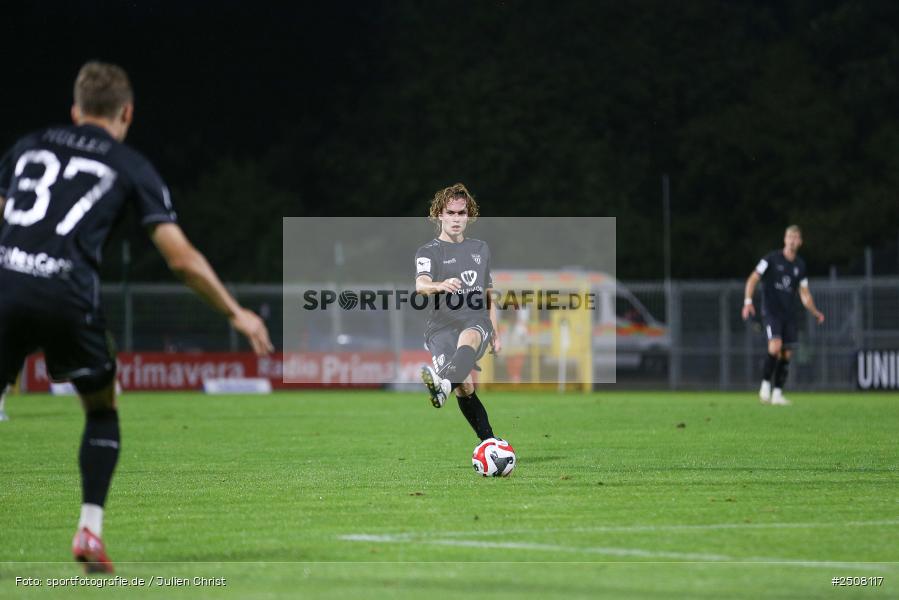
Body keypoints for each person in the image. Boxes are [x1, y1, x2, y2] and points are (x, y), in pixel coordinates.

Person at [0, 61, 273, 572]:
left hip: (6, 283)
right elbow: (181, 258)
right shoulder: (130, 165)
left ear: (75, 109)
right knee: (103, 408)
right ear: (127, 113)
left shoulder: (29, 145)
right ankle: (89, 530)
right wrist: (237, 313)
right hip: (67, 296)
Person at [416, 183, 502, 442]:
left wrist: (495, 332)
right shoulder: (428, 251)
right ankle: (488, 441)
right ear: (439, 214)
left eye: (461, 213)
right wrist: (438, 285)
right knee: (464, 386)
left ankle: (443, 387)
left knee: (471, 335)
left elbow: (489, 293)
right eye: (450, 213)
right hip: (440, 326)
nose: (456, 219)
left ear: (469, 215)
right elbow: (420, 285)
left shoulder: (480, 249)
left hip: (474, 319)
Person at [741, 225, 824, 405]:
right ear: (784, 239)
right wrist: (748, 301)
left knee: (787, 353)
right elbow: (753, 278)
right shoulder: (771, 259)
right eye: (790, 237)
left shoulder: (800, 265)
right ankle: (764, 386)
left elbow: (804, 293)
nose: (793, 241)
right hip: (771, 311)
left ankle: (777, 394)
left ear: (800, 242)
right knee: (775, 346)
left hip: (789, 313)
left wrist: (815, 311)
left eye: (796, 238)